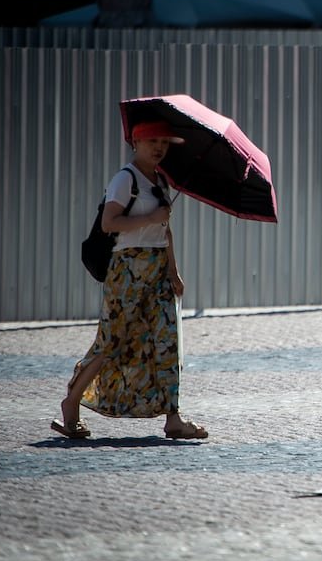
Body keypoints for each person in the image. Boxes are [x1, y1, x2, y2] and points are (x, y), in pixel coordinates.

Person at [52, 120, 207, 440]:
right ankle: (71, 402)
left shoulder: (160, 180)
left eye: (164, 142)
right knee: (113, 342)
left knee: (167, 343)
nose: (160, 147)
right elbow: (110, 223)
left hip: (157, 269)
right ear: (136, 143)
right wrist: (150, 217)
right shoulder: (125, 179)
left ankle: (173, 418)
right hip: (127, 269)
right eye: (153, 141)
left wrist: (173, 269)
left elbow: (166, 231)